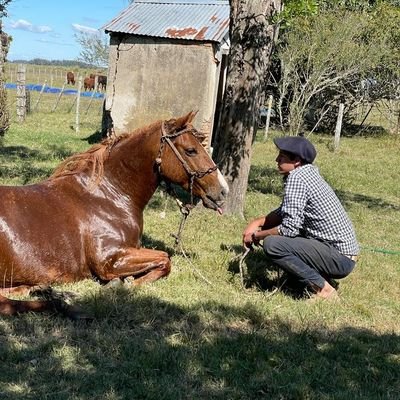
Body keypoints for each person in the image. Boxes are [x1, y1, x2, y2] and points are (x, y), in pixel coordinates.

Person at [242, 136, 359, 300]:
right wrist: (257, 223)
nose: (277, 160)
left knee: (273, 244)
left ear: (296, 160)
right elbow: (286, 212)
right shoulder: (306, 174)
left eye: (282, 156)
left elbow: (289, 229)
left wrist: (257, 235)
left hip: (339, 259)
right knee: (284, 238)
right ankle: (310, 280)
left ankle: (323, 289)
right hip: (341, 254)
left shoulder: (296, 178)